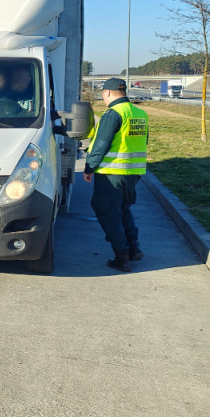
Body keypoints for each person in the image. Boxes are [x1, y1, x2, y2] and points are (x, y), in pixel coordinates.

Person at [83, 78, 149, 272]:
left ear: (108, 93)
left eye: (103, 95)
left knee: (107, 211)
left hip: (112, 172)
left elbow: (101, 144)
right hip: (134, 172)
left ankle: (122, 256)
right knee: (122, 209)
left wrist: (89, 167)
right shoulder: (140, 113)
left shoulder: (113, 114)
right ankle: (134, 248)